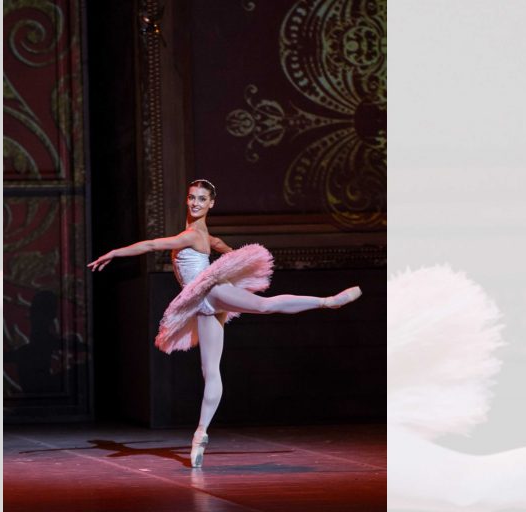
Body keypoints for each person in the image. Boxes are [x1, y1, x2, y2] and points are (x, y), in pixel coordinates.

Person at [87, 179, 362, 468]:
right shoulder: (206, 236)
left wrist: (114, 253)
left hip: (210, 291)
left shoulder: (192, 235)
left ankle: (328, 301)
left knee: (263, 306)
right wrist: (233, 263)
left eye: (201, 199)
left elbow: (153, 244)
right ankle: (200, 434)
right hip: (203, 306)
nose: (195, 203)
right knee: (210, 372)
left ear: (211, 203)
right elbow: (225, 250)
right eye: (192, 197)